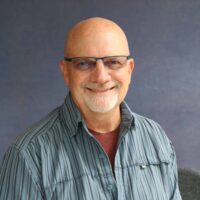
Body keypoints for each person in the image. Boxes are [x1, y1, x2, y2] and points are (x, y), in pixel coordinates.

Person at [0, 17, 182, 199]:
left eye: (113, 62)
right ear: (66, 72)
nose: (101, 77)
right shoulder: (28, 156)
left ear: (129, 70)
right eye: (84, 63)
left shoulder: (156, 138)